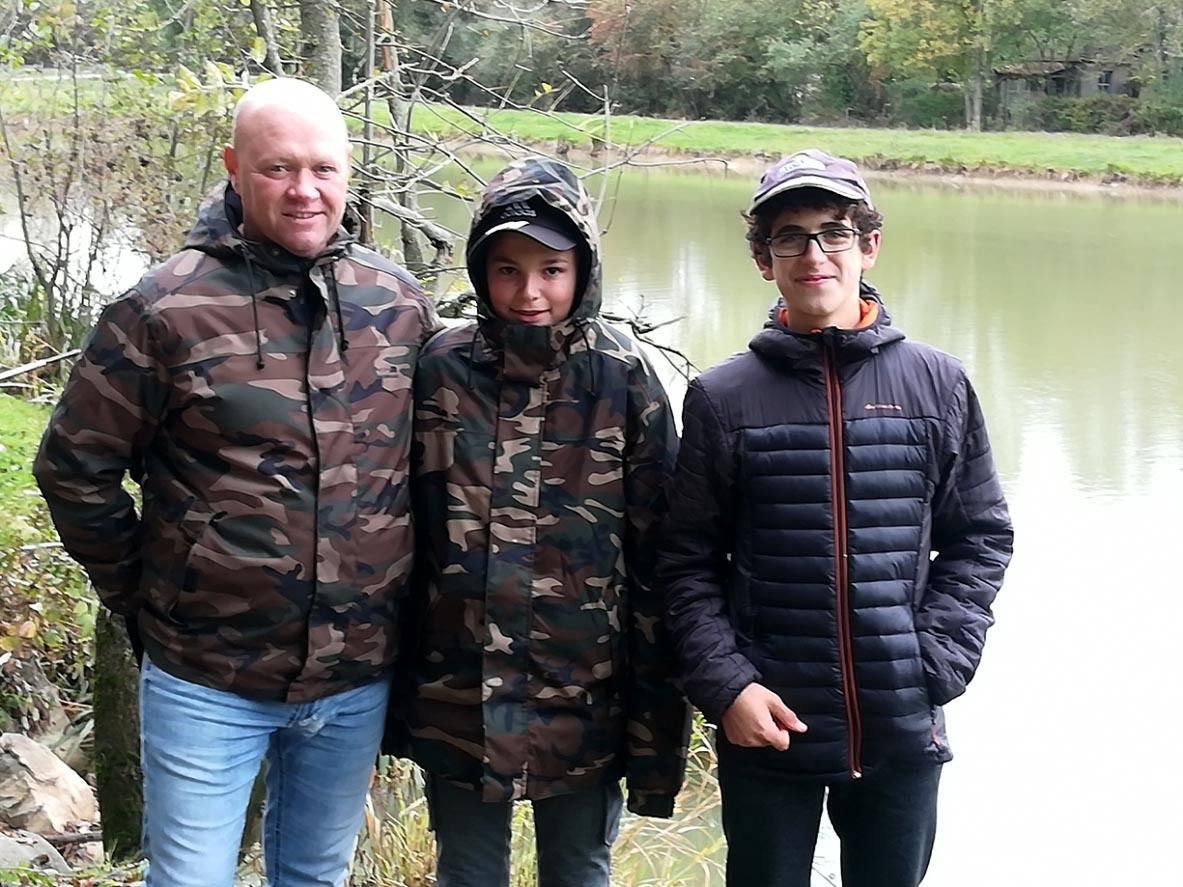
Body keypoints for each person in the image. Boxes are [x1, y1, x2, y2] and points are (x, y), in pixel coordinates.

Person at [33, 78, 440, 887]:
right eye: (277, 169)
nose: (303, 191)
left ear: (349, 170)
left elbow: (430, 471)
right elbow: (73, 466)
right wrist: (147, 589)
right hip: (205, 679)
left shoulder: (394, 302)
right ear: (233, 167)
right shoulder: (163, 307)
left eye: (322, 168)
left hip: (355, 677)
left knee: (314, 877)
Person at [657, 149, 1014, 887]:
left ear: (868, 244)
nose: (813, 253)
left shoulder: (936, 381)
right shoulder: (723, 397)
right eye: (789, 235)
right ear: (763, 258)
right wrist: (726, 688)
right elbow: (684, 561)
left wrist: (934, 662)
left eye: (833, 232)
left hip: (901, 725)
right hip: (769, 727)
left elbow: (979, 536)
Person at [390, 157, 691, 887]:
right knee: (465, 870)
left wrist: (657, 722)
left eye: (551, 269)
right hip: (456, 695)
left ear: (581, 270)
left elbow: (664, 552)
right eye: (507, 269)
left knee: (579, 867)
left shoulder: (622, 375)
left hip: (586, 693)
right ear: (479, 271)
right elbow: (393, 525)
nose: (529, 292)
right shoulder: (438, 366)